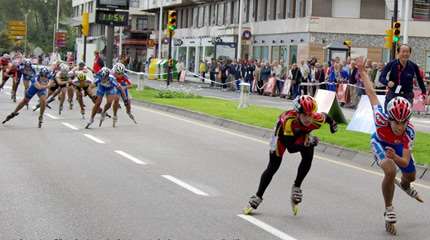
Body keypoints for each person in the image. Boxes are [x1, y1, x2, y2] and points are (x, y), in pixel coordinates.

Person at [357, 56, 423, 235]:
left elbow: (405, 160)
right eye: (396, 123)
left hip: (398, 150)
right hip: (380, 142)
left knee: (411, 175)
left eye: (403, 123)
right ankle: (389, 208)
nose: (399, 127)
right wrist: (363, 71)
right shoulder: (380, 117)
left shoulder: (408, 131)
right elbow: (371, 93)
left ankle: (406, 185)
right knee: (390, 170)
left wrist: (396, 157)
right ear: (389, 118)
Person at [244, 95, 338, 216]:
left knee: (308, 153)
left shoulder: (316, 118)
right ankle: (258, 196)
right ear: (298, 113)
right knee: (273, 167)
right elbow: (291, 148)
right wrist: (309, 142)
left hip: (300, 134)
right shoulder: (289, 120)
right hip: (282, 137)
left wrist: (333, 124)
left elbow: (327, 117)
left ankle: (297, 186)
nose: (308, 118)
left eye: (310, 114)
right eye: (304, 115)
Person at [379, 44, 426, 110]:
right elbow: (381, 78)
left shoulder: (413, 66)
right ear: (398, 53)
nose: (405, 54)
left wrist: (424, 92)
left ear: (410, 53)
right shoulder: (391, 64)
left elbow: (420, 80)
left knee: (405, 117)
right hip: (393, 94)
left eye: (407, 52)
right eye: (403, 51)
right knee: (390, 117)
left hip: (407, 95)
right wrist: (387, 82)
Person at [111, 63, 137, 127]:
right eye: (118, 74)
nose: (120, 75)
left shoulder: (125, 76)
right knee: (116, 99)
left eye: (121, 73)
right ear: (114, 72)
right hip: (116, 88)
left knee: (128, 103)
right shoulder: (111, 75)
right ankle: (115, 115)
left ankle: (128, 112)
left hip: (123, 88)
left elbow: (131, 85)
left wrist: (124, 87)